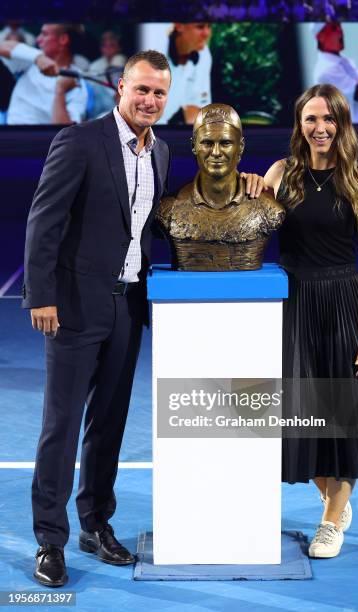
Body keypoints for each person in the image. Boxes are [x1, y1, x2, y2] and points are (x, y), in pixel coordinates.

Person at [22, 50, 172, 588]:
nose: (150, 101)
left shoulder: (162, 152)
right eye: (142, 90)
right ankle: (50, 541)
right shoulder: (81, 141)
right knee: (60, 428)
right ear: (121, 89)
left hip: (128, 306)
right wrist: (42, 295)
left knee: (109, 424)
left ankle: (95, 523)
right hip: (75, 308)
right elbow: (45, 219)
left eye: (159, 93)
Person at [264, 83, 358, 558]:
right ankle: (333, 500)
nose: (320, 128)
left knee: (341, 416)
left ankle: (330, 520)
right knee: (298, 415)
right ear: (299, 125)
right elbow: (250, 224)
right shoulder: (280, 174)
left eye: (328, 119)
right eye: (311, 119)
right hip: (293, 302)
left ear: (342, 123)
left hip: (342, 302)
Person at [157, 103, 285, 271]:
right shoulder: (169, 210)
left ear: (241, 147)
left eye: (225, 143)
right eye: (207, 143)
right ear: (194, 146)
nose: (216, 152)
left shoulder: (269, 210)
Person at [0, 23, 88, 124]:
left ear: (63, 39)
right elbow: (3, 46)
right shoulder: (32, 58)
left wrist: (60, 91)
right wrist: (38, 57)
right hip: (12, 135)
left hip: (43, 138)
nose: (38, 40)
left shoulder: (77, 83)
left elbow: (65, 131)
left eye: (44, 34)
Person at [145, 22, 212, 125]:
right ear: (179, 25)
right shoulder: (151, 45)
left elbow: (194, 107)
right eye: (200, 27)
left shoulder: (204, 55)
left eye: (209, 26)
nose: (207, 33)